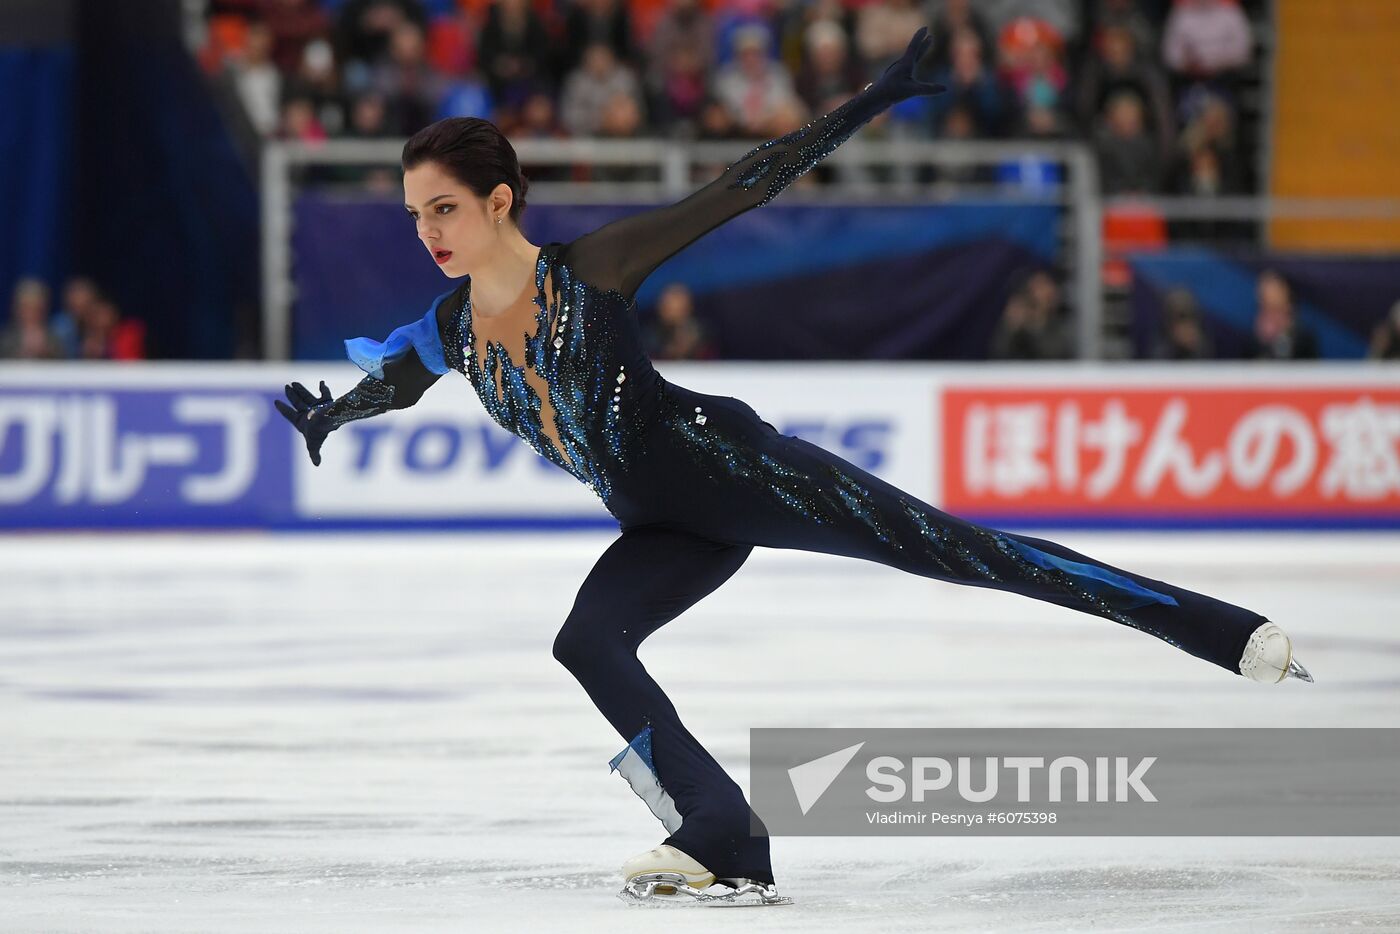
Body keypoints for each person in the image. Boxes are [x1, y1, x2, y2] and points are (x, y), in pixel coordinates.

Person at [275, 27, 1311, 908]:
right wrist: (336, 416)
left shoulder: (589, 272)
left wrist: (877, 98)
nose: (425, 232)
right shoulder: (448, 327)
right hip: (660, 523)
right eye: (413, 213)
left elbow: (745, 183)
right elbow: (400, 379)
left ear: (498, 201)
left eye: (442, 208)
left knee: (965, 553)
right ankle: (721, 833)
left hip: (735, 468)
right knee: (587, 642)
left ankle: (1224, 631)